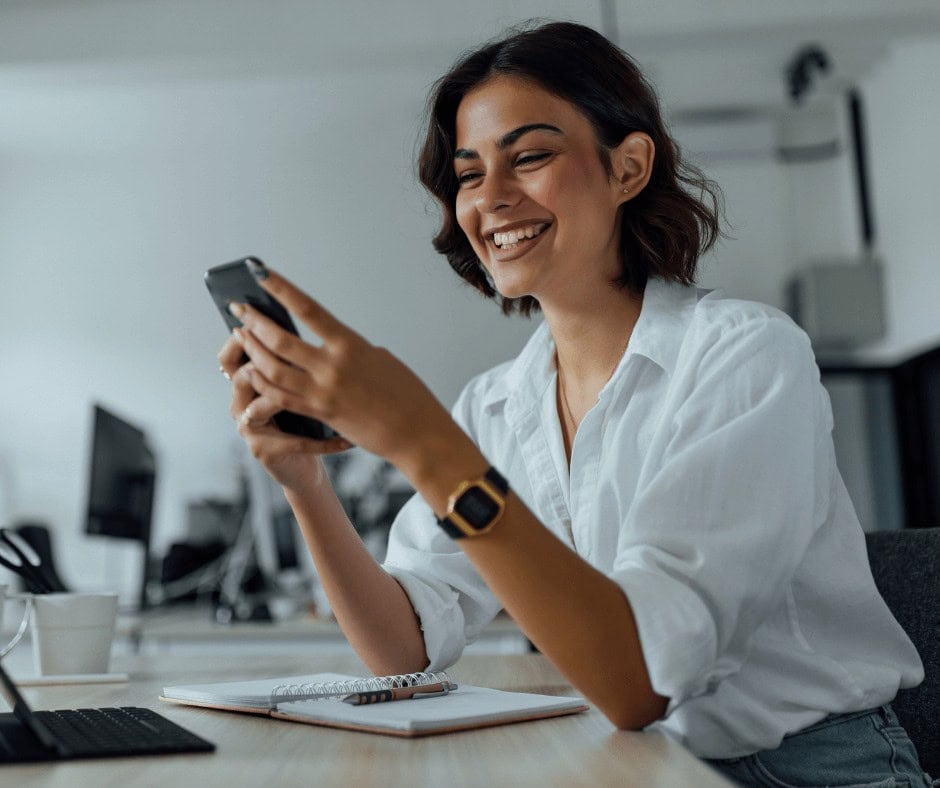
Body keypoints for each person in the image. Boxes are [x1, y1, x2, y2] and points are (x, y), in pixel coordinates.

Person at [217, 20, 933, 787]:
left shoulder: (748, 354)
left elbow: (639, 683)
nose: (490, 199)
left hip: (814, 773)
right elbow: (405, 648)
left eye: (528, 157)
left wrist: (419, 439)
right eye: (467, 174)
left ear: (627, 168)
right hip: (643, 765)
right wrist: (306, 487)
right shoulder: (495, 406)